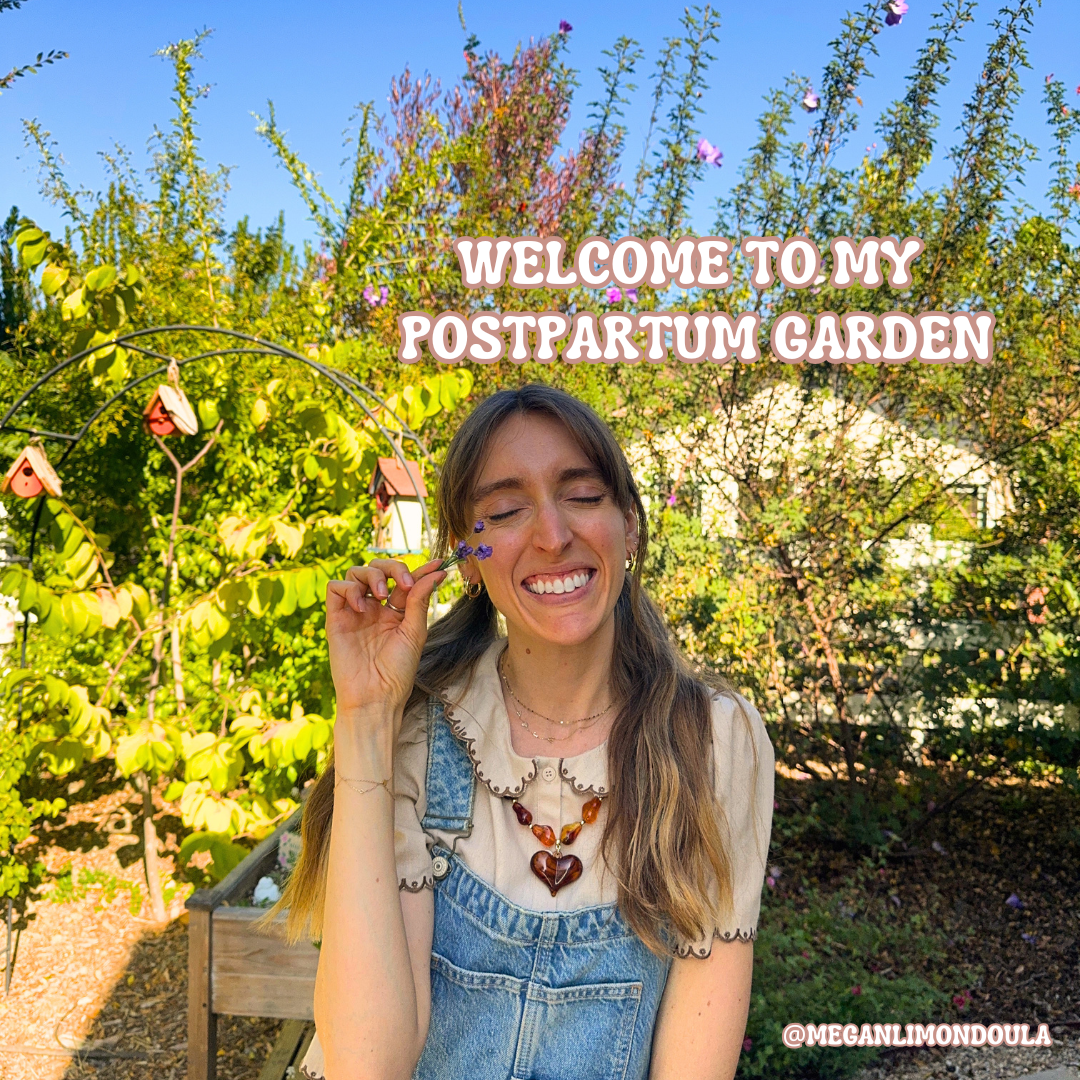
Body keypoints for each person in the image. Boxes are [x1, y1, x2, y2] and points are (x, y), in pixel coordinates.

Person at [272, 384, 774, 1080]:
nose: (551, 535)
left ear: (629, 526)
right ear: (468, 559)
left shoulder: (716, 746)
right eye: (506, 511)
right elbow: (367, 1064)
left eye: (583, 496)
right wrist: (364, 720)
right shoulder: (417, 735)